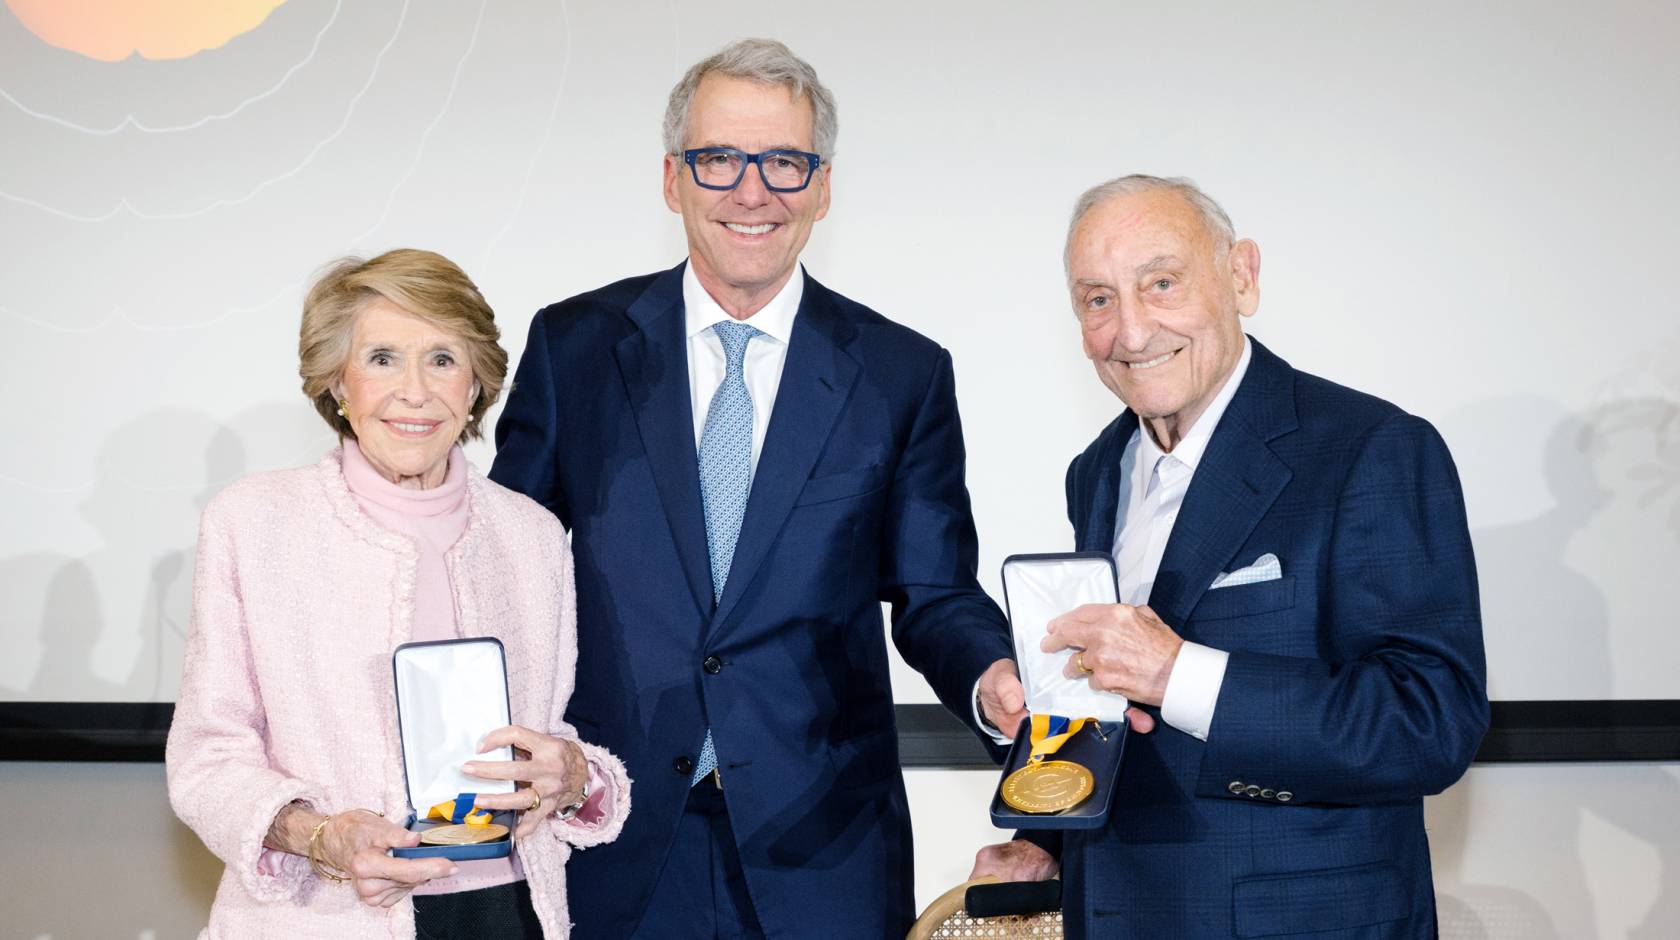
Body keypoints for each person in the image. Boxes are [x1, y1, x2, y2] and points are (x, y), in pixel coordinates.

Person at [490, 38, 1021, 939]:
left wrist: (992, 680)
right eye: (718, 159)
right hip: (605, 834)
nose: (752, 190)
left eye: (784, 161)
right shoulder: (573, 347)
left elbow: (933, 592)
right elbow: (505, 568)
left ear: (821, 186)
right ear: (671, 179)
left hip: (824, 852)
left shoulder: (902, 373)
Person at [970, 176, 1489, 938]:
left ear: (1241, 276)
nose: (1133, 330)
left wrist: (1176, 672)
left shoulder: (1369, 448)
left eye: (1162, 283)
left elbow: (1429, 721)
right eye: (1098, 300)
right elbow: (1121, 712)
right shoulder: (1098, 469)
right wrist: (1045, 835)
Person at [165, 249, 630, 938]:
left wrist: (573, 778)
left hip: (510, 912)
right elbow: (209, 758)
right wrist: (320, 836)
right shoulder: (252, 522)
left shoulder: (531, 535)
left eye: (442, 358)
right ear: (336, 383)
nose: (414, 390)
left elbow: (558, 733)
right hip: (326, 916)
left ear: (475, 385)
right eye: (382, 357)